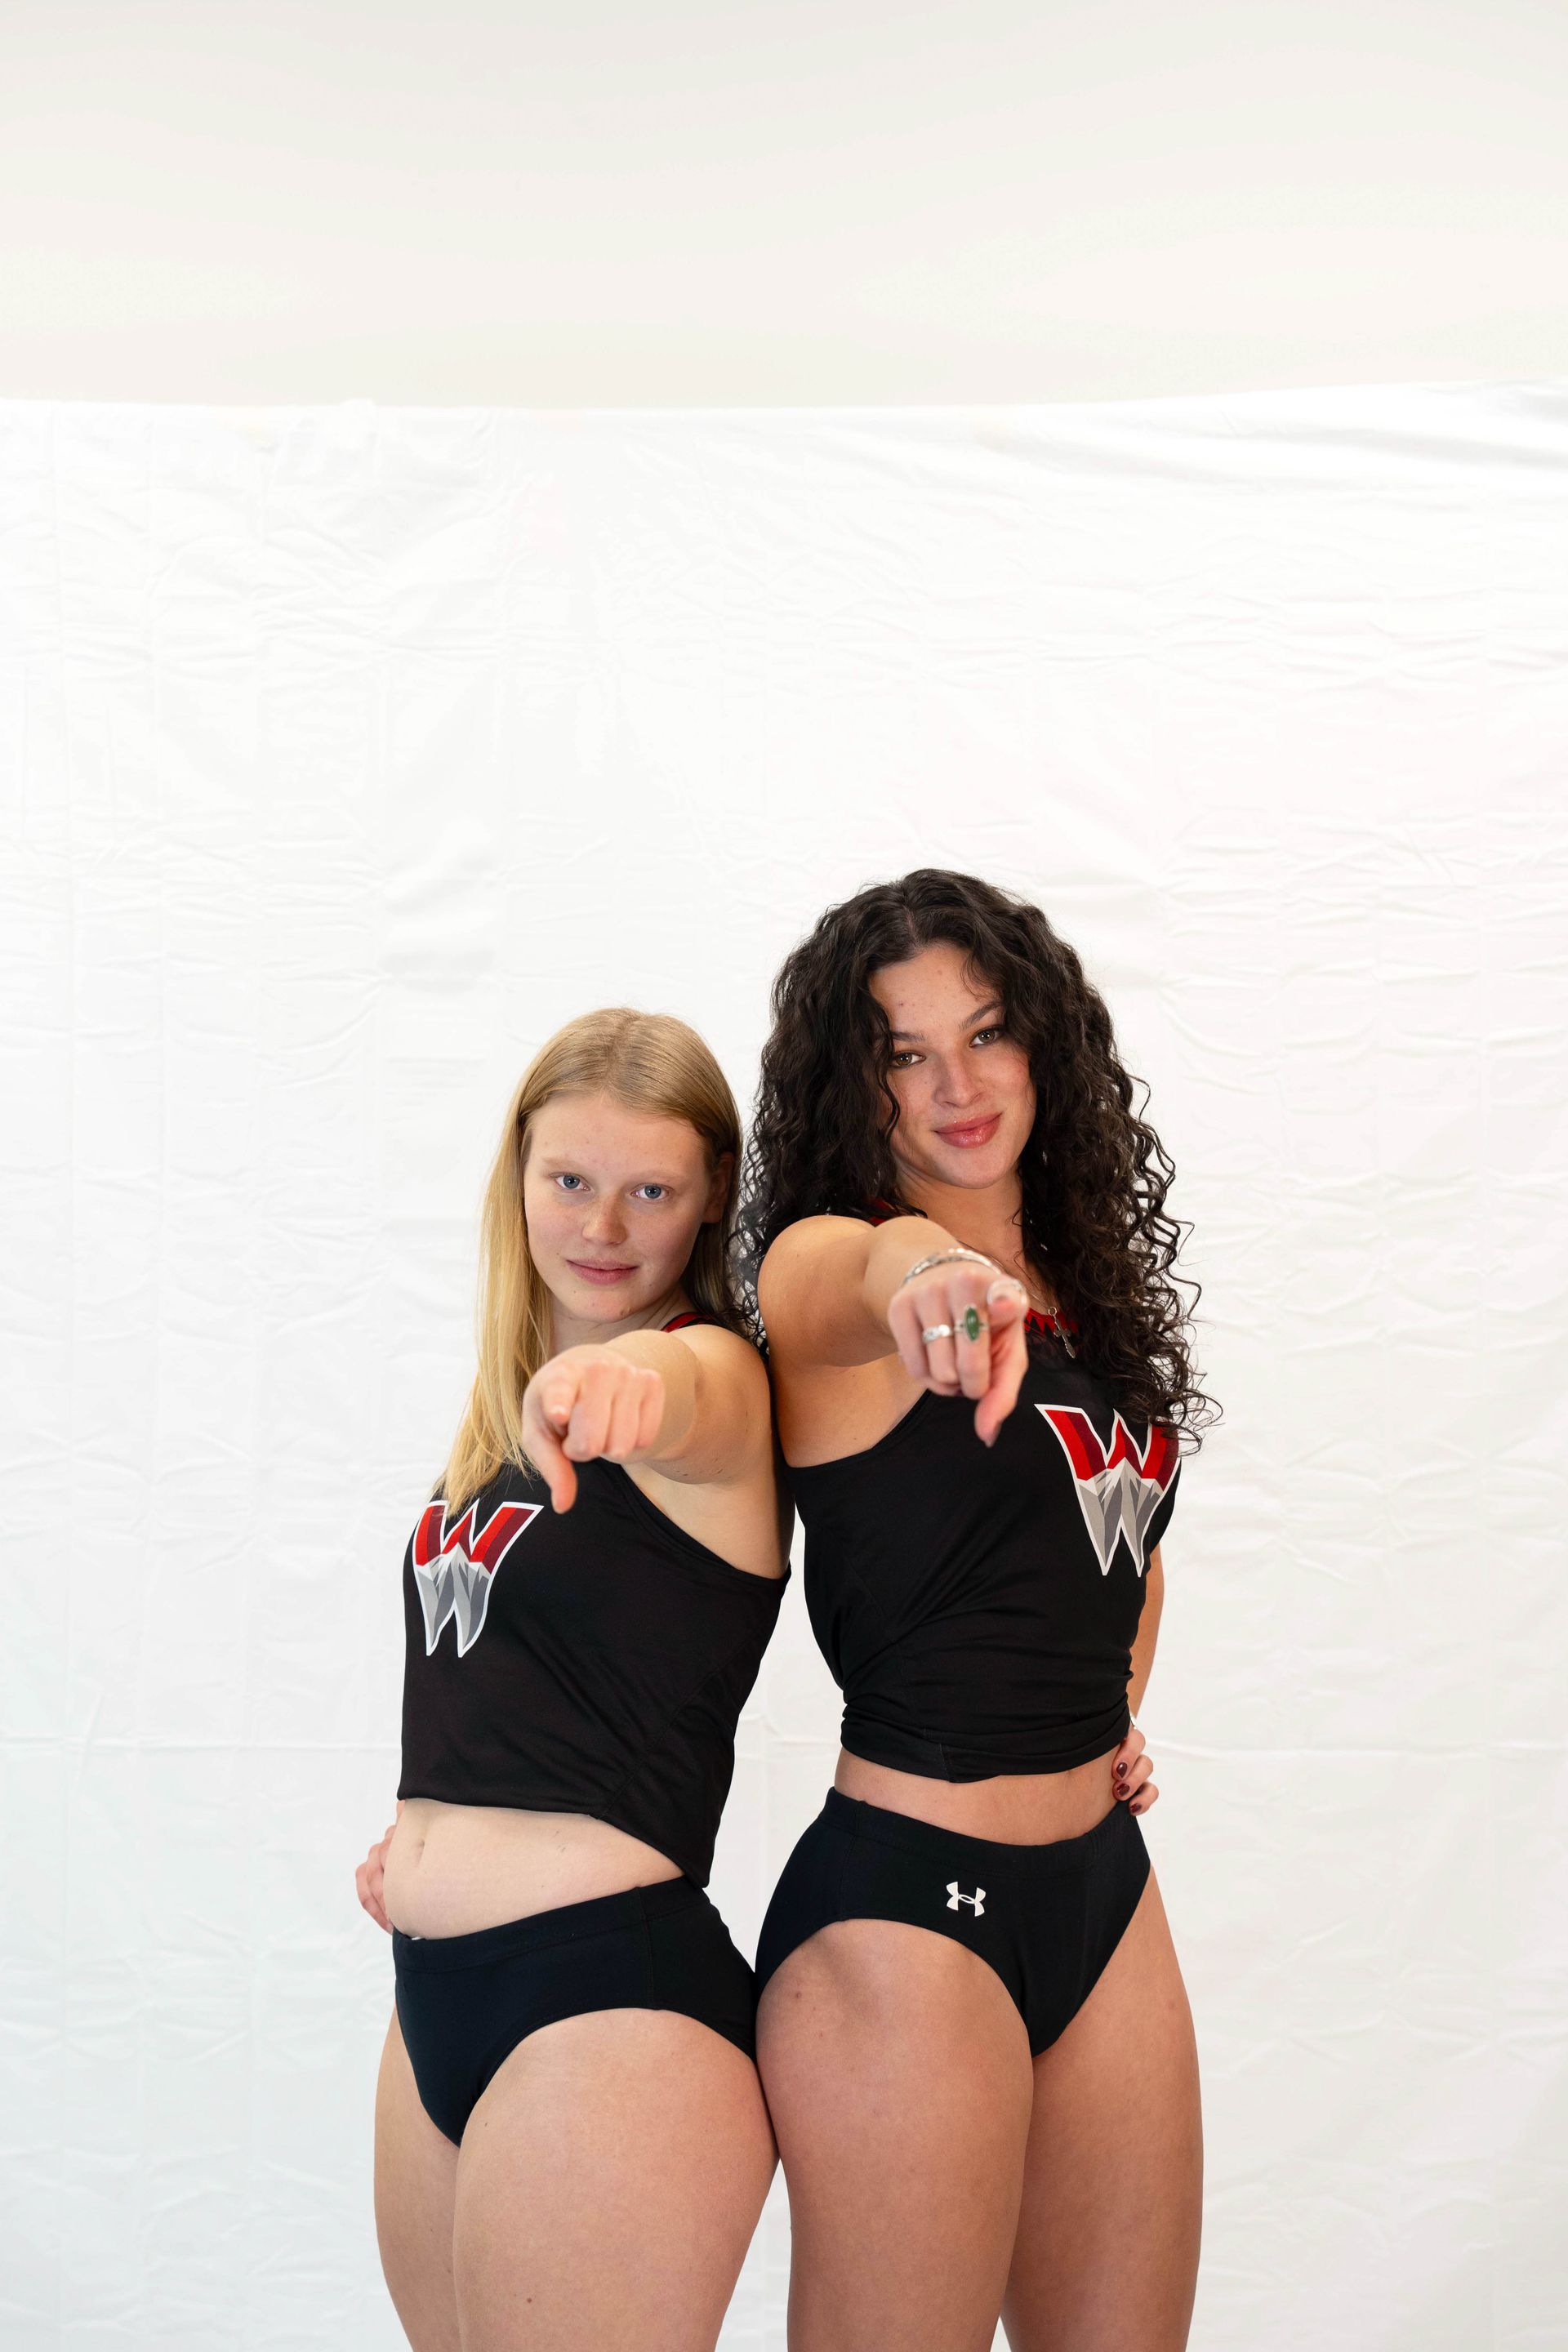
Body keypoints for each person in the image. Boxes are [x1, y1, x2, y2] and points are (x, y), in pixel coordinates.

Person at [740, 869, 1215, 2352]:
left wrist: (1113, 1708)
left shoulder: (1086, 1289)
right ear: (855, 1086)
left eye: (988, 1033)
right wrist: (918, 1262)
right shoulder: (848, 1283)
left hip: (1105, 1894)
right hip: (905, 1910)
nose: (957, 1082)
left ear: (1043, 1045)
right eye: (903, 1052)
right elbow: (826, 1274)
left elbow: (1120, 1525)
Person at [355, 1008, 788, 2352]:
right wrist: (429, 1840)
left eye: (651, 1190)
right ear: (519, 1182)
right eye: (570, 1182)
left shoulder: (710, 1382)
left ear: (708, 1200)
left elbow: (678, 1389)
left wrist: (623, 1379)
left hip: (608, 2011)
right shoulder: (496, 1421)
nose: (605, 1225)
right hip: (437, 1999)